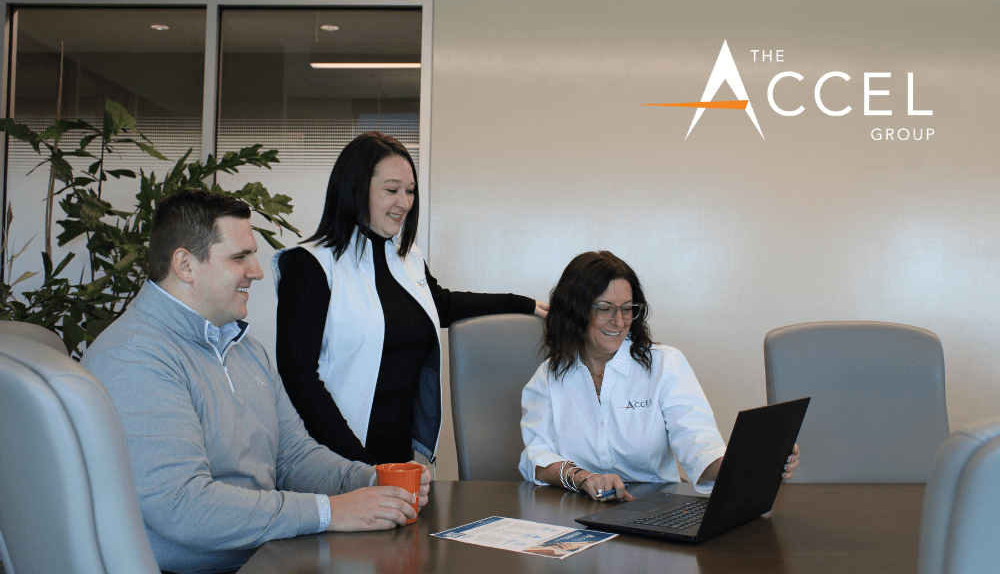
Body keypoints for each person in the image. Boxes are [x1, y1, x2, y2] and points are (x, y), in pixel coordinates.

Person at [82, 190, 430, 574]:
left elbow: (293, 457)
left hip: (266, 556)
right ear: (185, 264)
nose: (257, 270)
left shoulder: (245, 349)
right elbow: (184, 507)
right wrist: (328, 511)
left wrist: (372, 479)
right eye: (239, 257)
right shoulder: (135, 356)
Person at [272, 131, 547, 465]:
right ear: (355, 189)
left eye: (410, 191)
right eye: (391, 190)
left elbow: (440, 305)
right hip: (335, 463)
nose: (404, 202)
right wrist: (361, 465)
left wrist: (523, 304)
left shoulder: (405, 257)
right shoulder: (311, 264)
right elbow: (298, 374)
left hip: (399, 462)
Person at [518, 250, 799, 501]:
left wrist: (752, 461)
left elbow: (697, 442)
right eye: (605, 309)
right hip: (575, 512)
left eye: (627, 309)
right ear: (574, 312)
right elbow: (536, 458)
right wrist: (585, 478)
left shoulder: (666, 364)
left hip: (653, 508)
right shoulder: (547, 378)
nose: (619, 322)